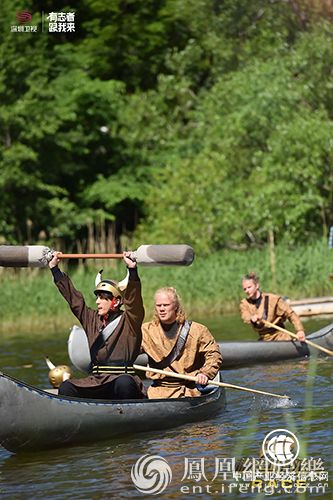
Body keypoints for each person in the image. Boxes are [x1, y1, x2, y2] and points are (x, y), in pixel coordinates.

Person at [48, 251, 147, 399]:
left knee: (124, 383)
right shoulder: (91, 318)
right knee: (67, 387)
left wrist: (132, 270)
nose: (97, 302)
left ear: (116, 301)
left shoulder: (130, 320)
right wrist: (55, 270)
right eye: (97, 297)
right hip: (96, 381)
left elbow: (134, 302)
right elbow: (74, 300)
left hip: (121, 379)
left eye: (102, 298)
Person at [141, 287, 222, 398]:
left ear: (175, 306)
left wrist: (205, 373)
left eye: (166, 305)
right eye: (158, 305)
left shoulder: (197, 330)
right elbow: (129, 351)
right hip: (157, 393)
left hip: (189, 392)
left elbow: (214, 354)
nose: (162, 309)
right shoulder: (146, 330)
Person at [240, 272, 306, 341]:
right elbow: (245, 315)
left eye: (249, 287)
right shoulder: (244, 303)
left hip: (280, 337)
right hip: (264, 338)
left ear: (257, 286)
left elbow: (291, 314)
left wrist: (300, 330)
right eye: (245, 289)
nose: (247, 291)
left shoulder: (273, 299)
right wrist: (251, 318)